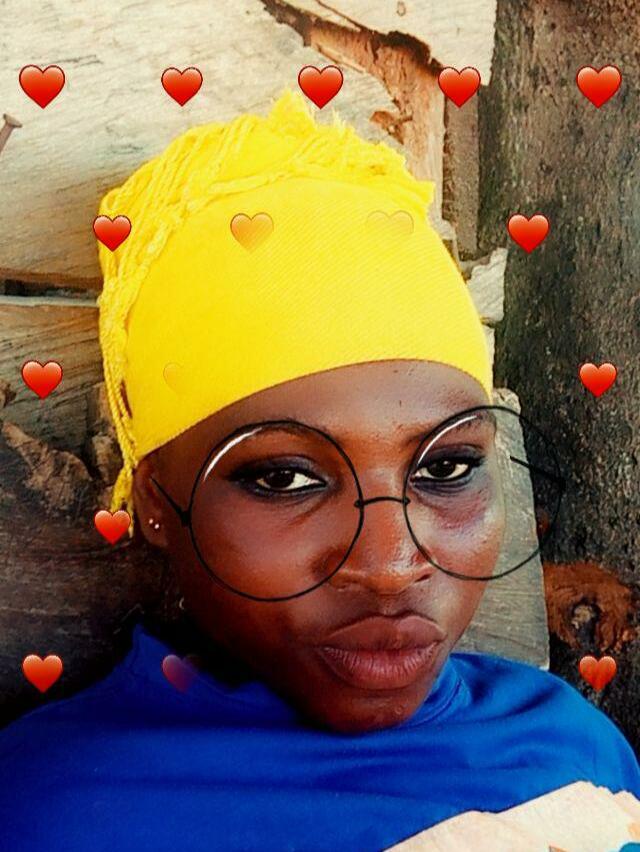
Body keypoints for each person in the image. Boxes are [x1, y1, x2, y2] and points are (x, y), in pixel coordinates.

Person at [0, 89, 638, 852]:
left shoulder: (571, 750)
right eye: (284, 479)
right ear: (158, 500)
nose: (392, 565)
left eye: (447, 466)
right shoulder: (58, 810)